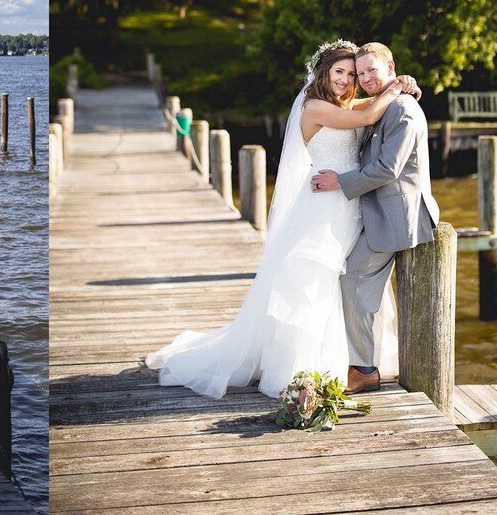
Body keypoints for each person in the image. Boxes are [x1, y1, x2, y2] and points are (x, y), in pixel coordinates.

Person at [145, 40, 415, 399]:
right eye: (340, 72)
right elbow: (367, 116)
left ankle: (349, 360)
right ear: (323, 73)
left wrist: (399, 83)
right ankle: (305, 366)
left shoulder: (344, 104)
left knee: (346, 281)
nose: (347, 80)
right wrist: (395, 87)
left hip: (351, 203)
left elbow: (372, 104)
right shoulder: (315, 106)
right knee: (314, 277)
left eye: (353, 74)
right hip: (324, 203)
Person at [312, 41, 440, 394]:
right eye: (360, 72)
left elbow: (388, 168)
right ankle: (359, 361)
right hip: (377, 207)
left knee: (352, 280)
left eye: (372, 70)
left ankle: (365, 369)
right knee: (353, 280)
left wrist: (339, 182)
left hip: (395, 214)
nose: (366, 78)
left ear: (390, 68)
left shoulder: (402, 110)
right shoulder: (385, 102)